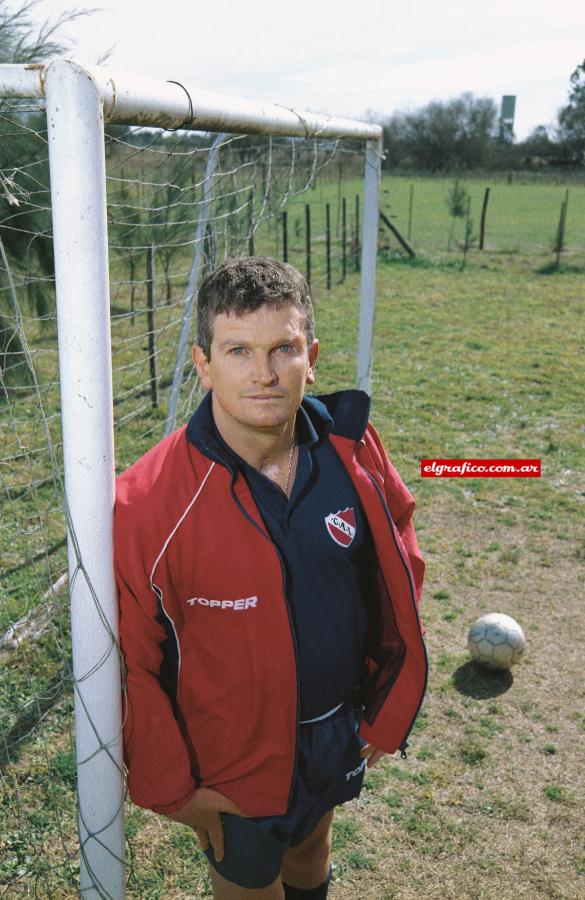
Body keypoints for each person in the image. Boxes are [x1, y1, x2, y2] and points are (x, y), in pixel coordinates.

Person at [115, 256, 427, 900]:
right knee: (249, 885)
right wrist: (170, 786)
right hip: (232, 757)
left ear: (310, 356)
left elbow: (399, 568)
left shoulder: (353, 451)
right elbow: (131, 659)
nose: (263, 373)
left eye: (282, 348)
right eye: (238, 351)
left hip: (336, 726)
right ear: (203, 363)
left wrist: (381, 702)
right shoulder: (147, 504)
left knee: (311, 854)